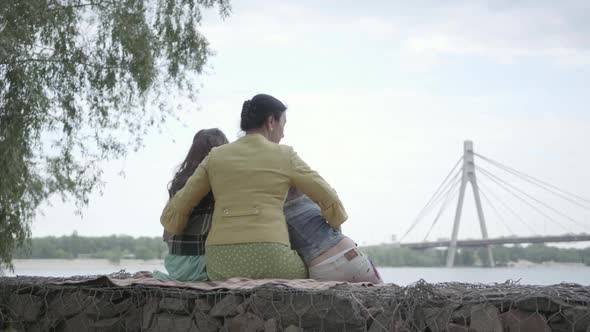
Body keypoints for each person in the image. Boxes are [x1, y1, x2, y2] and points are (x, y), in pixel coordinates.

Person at [160, 93, 347, 280]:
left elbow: (176, 210)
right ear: (271, 121)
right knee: (307, 268)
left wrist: (175, 227)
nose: (283, 133)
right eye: (283, 125)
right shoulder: (285, 154)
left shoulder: (215, 156)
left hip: (220, 266)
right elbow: (328, 196)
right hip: (273, 259)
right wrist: (336, 226)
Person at [153, 128, 229, 281]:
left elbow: (166, 234)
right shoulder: (219, 182)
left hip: (175, 263)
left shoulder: (179, 181)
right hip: (203, 263)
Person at [284, 188, 383, 283]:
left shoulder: (276, 213)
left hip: (321, 269)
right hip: (351, 256)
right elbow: (336, 225)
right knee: (387, 297)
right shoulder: (313, 195)